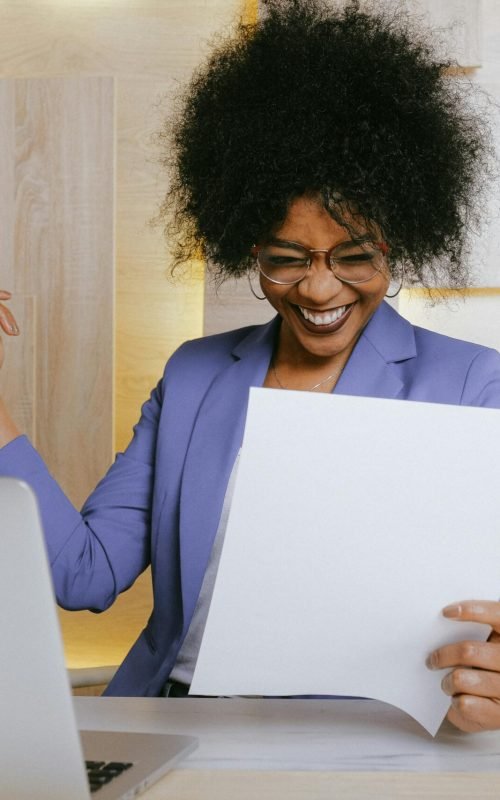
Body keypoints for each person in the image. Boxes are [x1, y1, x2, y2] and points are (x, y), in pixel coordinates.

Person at [1, 0, 500, 732]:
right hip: (166, 729)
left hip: (359, 744)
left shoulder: (470, 388)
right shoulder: (196, 376)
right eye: (285, 259)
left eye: (353, 255)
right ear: (246, 247)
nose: (319, 288)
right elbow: (84, 575)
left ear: (397, 240)